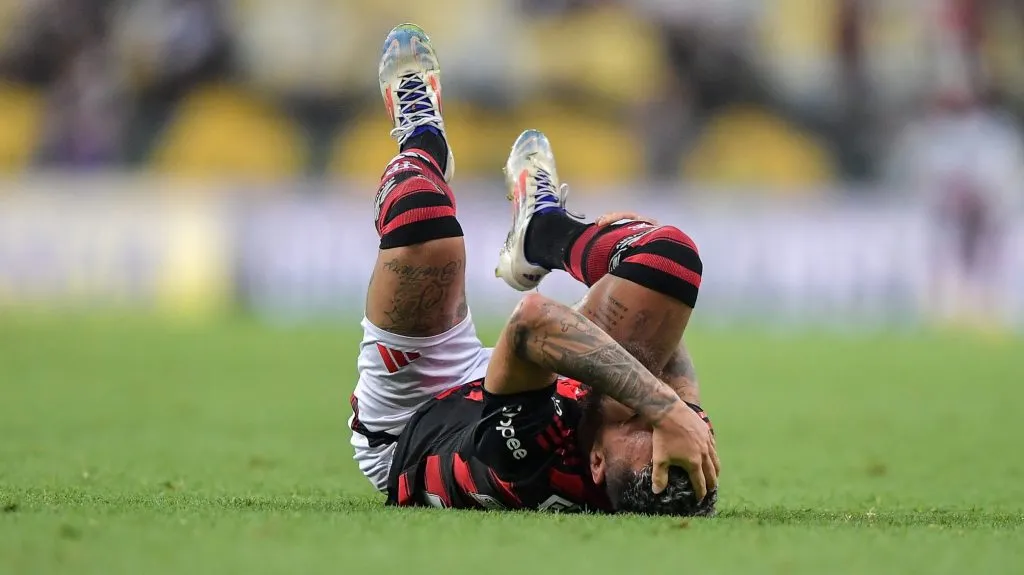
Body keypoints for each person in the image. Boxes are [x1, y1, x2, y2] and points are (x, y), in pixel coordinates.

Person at [348, 24, 719, 515]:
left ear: (596, 463)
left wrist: (666, 409)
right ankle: (545, 232)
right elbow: (667, 364)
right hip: (542, 381)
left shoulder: (527, 457)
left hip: (417, 412)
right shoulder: (672, 448)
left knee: (423, 222)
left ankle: (422, 141)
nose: (648, 417)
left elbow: (531, 321)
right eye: (660, 427)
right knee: (668, 258)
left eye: (639, 428)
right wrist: (682, 401)